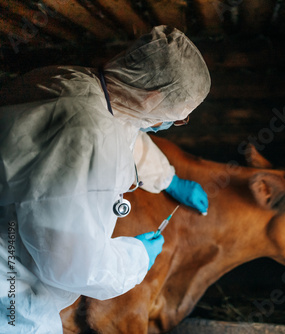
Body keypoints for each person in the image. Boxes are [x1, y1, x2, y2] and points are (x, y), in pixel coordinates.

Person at [0, 26, 210, 333]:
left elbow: (125, 130)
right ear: (152, 97)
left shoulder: (74, 81)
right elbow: (71, 264)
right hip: (12, 290)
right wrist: (137, 256)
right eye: (179, 115)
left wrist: (168, 179)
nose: (177, 123)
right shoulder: (89, 136)